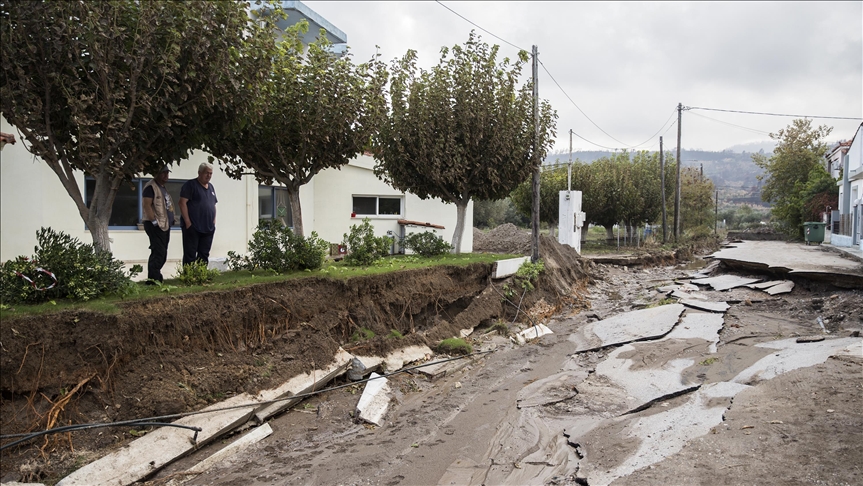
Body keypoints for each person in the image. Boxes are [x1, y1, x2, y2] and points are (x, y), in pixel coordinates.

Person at [179, 162, 218, 266]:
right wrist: (188, 223)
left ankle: (201, 276)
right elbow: (182, 203)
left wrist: (213, 221)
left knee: (204, 254)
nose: (208, 176)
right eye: (206, 173)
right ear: (199, 173)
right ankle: (189, 277)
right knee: (190, 254)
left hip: (208, 228)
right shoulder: (190, 185)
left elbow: (213, 204)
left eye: (210, 173)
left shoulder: (211, 187)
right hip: (193, 227)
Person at [142, 166, 175, 282]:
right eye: (163, 173)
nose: (166, 175)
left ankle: (156, 277)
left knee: (163, 252)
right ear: (157, 173)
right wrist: (154, 222)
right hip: (156, 225)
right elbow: (147, 205)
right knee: (158, 252)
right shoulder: (151, 187)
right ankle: (153, 279)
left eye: (167, 173)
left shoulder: (163, 187)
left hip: (165, 225)